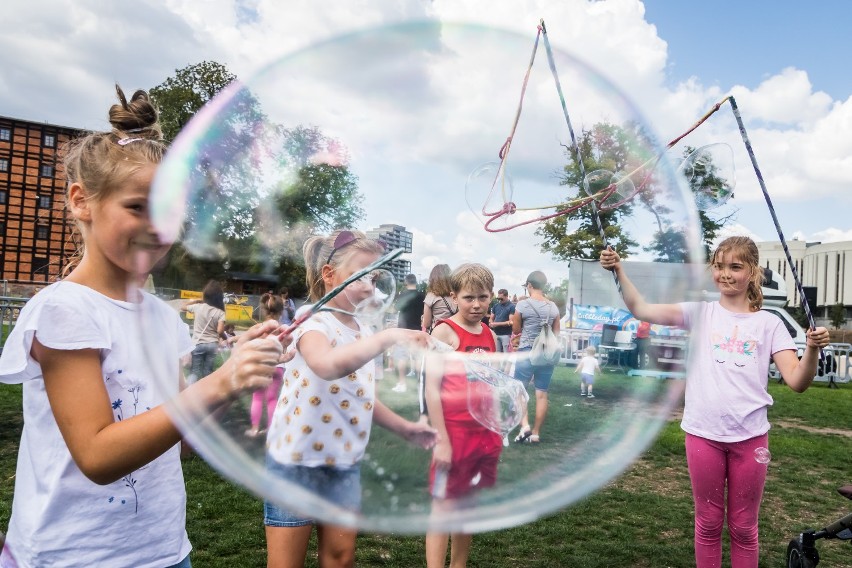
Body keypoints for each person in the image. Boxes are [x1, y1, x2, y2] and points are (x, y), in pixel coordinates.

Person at [0, 85, 285, 568]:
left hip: (165, 553)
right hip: (72, 558)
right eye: (137, 207)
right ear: (80, 201)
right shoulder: (64, 310)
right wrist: (220, 383)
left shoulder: (162, 317)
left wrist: (242, 372)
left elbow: (182, 439)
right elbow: (97, 457)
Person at [600, 237, 830, 568]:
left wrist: (811, 349)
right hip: (702, 435)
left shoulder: (769, 324)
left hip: (750, 438)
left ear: (753, 273)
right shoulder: (700, 313)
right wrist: (619, 270)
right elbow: (641, 309)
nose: (725, 274)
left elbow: (797, 381)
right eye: (719, 266)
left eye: (735, 267)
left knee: (744, 527)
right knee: (707, 524)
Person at [263, 230, 436, 568]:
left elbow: (360, 396)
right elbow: (326, 366)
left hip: (343, 464)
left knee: (340, 559)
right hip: (295, 462)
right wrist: (389, 337)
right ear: (330, 275)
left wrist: (405, 428)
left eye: (374, 278)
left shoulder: (364, 331)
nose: (371, 287)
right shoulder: (312, 319)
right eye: (362, 277)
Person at [424, 263, 502, 568]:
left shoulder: (489, 333)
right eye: (469, 297)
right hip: (453, 434)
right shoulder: (444, 331)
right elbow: (431, 389)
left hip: (482, 434)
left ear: (491, 296)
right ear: (454, 296)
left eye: (483, 297)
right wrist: (441, 440)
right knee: (443, 508)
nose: (477, 304)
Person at [511, 271, 560, 444]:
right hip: (546, 355)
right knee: (542, 393)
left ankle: (524, 425)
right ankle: (536, 433)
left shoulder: (522, 306)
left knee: (519, 391)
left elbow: (516, 330)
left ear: (529, 285)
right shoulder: (553, 307)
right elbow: (556, 334)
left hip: (526, 351)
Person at [246, 293, 286, 438]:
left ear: (263, 310)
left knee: (257, 398)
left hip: (261, 367)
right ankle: (270, 429)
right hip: (277, 366)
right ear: (281, 312)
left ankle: (254, 428)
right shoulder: (283, 329)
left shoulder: (259, 328)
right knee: (272, 399)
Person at [182, 279, 226, 382]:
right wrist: (225, 338)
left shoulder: (198, 307)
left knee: (195, 371)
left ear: (205, 295)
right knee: (208, 371)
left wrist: (197, 300)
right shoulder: (220, 312)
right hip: (212, 345)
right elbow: (220, 331)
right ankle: (207, 392)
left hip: (198, 343)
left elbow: (183, 307)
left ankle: (190, 391)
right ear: (219, 298)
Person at [392, 273, 426, 393]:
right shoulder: (422, 295)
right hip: (416, 329)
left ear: (406, 282)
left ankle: (402, 383)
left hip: (403, 329)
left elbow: (395, 308)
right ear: (415, 282)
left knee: (402, 357)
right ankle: (419, 384)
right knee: (417, 358)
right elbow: (424, 311)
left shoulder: (403, 295)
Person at [422, 264, 455, 334]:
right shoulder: (456, 295)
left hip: (439, 334)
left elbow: (426, 324)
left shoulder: (431, 296)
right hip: (455, 333)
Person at [489, 288, 515, 352]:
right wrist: (491, 323)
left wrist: (495, 324)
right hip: (496, 333)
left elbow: (511, 322)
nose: (500, 300)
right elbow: (491, 318)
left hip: (506, 334)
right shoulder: (496, 306)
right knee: (497, 354)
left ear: (506, 296)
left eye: (501, 298)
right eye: (498, 298)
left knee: (506, 354)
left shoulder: (512, 306)